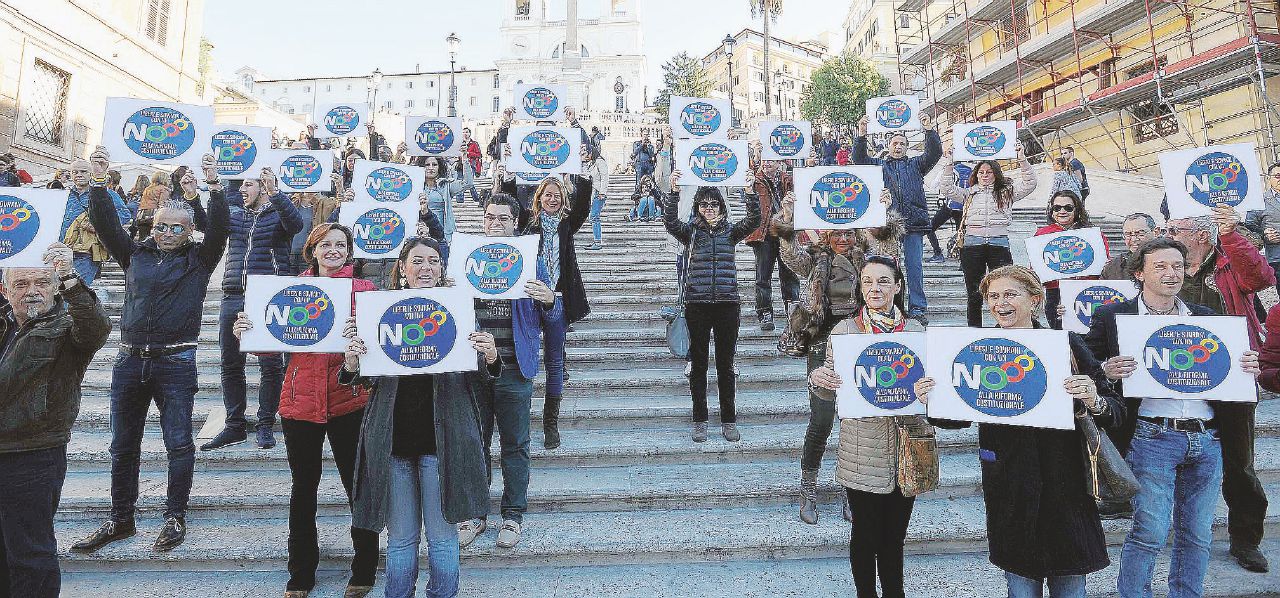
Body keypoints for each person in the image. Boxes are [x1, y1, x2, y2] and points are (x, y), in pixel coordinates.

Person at [917, 264, 1122, 597]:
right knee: (1020, 585)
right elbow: (957, 418)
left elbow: (1115, 410)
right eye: (993, 296)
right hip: (1011, 485)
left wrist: (1094, 397)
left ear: (1035, 300)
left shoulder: (1065, 343)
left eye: (1010, 294)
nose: (1001, 303)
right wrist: (932, 400)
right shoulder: (978, 349)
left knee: (1069, 583)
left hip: (1065, 486)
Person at [1084, 238, 1263, 594]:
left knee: (1197, 534)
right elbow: (1085, 367)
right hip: (1151, 436)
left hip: (1206, 437)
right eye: (1161, 267)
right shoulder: (1113, 317)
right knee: (1149, 530)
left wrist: (1246, 367)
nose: (1171, 274)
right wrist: (1106, 369)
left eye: (1177, 266)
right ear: (1139, 273)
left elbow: (1228, 370)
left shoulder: (1206, 318)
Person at [73, 150, 229, 554]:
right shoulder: (135, 255)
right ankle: (120, 519)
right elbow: (106, 226)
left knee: (178, 443)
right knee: (122, 445)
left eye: (176, 228)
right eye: (161, 226)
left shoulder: (200, 260)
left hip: (175, 363)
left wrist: (212, 188)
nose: (166, 233)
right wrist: (98, 180)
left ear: (189, 231)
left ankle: (174, 517)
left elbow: (220, 232)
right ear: (151, 225)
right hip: (129, 361)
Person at [229, 223, 379, 597]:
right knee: (304, 489)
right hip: (300, 403)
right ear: (312, 250)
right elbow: (270, 347)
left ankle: (364, 567)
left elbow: (379, 349)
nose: (334, 250)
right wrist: (247, 331)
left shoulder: (364, 291)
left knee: (357, 487)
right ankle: (301, 571)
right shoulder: (290, 290)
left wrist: (360, 342)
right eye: (326, 244)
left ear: (350, 251)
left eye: (341, 245)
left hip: (349, 401)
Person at [340, 237, 489, 598]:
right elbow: (361, 377)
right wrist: (352, 360)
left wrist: (490, 355)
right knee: (402, 539)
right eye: (418, 261)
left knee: (441, 537)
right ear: (402, 271)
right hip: (393, 443)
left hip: (443, 441)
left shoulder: (459, 309)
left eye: (434, 261)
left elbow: (479, 375)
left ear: (442, 269)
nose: (427, 267)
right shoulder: (378, 313)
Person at [806, 256, 935, 598]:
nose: (874, 288)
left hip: (905, 448)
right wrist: (817, 378)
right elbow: (829, 384)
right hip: (862, 448)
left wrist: (929, 392)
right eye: (867, 282)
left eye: (882, 281)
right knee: (864, 535)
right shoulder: (845, 331)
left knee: (894, 537)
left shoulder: (916, 332)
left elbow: (932, 393)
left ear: (898, 286)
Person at [1164, 206, 1274, 573]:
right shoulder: (1167, 266)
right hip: (1176, 377)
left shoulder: (1230, 263)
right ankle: (1181, 535)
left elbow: (1261, 277)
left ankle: (1246, 540)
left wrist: (1230, 233)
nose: (1167, 232)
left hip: (1232, 378)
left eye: (1174, 228)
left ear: (1198, 234)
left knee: (1239, 465)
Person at [777, 189, 895, 524]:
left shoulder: (866, 260)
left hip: (860, 344)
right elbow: (789, 255)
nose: (843, 239)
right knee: (823, 418)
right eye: (837, 233)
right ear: (827, 235)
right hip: (821, 345)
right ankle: (808, 486)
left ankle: (849, 487)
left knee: (853, 420)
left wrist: (883, 212)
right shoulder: (814, 259)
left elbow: (888, 252)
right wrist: (788, 217)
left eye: (848, 233)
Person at [0, 244, 110, 597]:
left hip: (32, 454)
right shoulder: (4, 322)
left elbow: (96, 328)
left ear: (53, 287)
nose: (31, 291)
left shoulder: (67, 327)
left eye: (41, 283)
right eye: (20, 284)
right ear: (6, 290)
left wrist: (69, 277)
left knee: (30, 553)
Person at [455, 194, 556, 550]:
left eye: (502, 218)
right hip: (473, 369)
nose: (495, 223)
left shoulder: (532, 261)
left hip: (514, 368)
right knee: (474, 444)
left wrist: (549, 300)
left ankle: (512, 514)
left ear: (516, 222)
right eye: (489, 217)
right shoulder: (466, 260)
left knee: (515, 445)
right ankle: (476, 514)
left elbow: (553, 319)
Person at [202, 167, 304, 451]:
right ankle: (234, 425)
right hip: (233, 294)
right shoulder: (236, 215)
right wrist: (205, 189)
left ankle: (265, 424)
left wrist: (276, 194)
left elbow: (295, 225)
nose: (242, 190)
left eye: (248, 184)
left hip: (268, 297)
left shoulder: (278, 214)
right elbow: (209, 225)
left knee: (270, 364)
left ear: (262, 186)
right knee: (230, 363)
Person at [663, 168, 760, 442]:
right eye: (704, 204)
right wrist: (673, 192)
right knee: (699, 365)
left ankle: (729, 419)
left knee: (726, 365)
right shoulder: (691, 232)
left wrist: (750, 192)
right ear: (697, 207)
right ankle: (700, 419)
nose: (709, 209)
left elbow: (754, 219)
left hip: (728, 304)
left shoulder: (731, 232)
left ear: (721, 207)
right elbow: (670, 221)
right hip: (697, 305)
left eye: (714, 204)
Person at [524, 172, 593, 450]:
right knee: (525, 357)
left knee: (555, 362)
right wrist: (504, 179)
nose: (552, 199)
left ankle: (550, 422)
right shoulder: (527, 224)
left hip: (559, 298)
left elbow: (584, 206)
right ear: (539, 198)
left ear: (563, 199)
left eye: (557, 195)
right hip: (529, 299)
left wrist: (582, 176)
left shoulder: (567, 224)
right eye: (547, 195)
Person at [853, 114, 942, 325]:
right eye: (895, 143)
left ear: (906, 147)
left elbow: (935, 152)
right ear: (889, 145)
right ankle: (895, 306)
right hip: (888, 228)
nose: (898, 146)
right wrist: (862, 135)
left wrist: (929, 130)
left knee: (914, 268)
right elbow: (859, 160)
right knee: (888, 269)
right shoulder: (879, 165)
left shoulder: (917, 164)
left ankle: (918, 308)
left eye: (902, 143)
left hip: (913, 224)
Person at [937, 141, 1037, 327]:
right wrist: (949, 162)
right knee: (973, 292)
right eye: (981, 172)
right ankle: (974, 330)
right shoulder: (969, 193)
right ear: (976, 175)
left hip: (999, 245)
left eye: (988, 172)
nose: (984, 175)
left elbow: (1030, 183)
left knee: (1006, 289)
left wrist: (1022, 159)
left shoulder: (1006, 192)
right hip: (972, 245)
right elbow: (947, 188)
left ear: (995, 174)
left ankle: (1006, 326)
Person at [1035, 190, 1107, 330]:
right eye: (1057, 208)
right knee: (1060, 337)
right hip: (1055, 292)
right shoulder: (1041, 234)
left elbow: (1105, 265)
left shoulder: (1093, 234)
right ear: (1051, 210)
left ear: (1077, 209)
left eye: (1068, 207)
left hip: (1087, 291)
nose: (1062, 211)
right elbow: (1036, 268)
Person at [744, 159, 801, 331]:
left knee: (790, 274)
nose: (767, 163)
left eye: (772, 160)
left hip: (784, 232)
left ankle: (793, 311)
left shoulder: (787, 179)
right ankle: (765, 313)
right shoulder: (755, 179)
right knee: (763, 276)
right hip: (764, 234)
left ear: (779, 163)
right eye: (764, 160)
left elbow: (804, 190)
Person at [61, 158, 132, 285]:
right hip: (63, 248)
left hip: (86, 252)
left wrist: (100, 226)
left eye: (83, 171)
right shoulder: (64, 195)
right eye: (75, 172)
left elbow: (125, 214)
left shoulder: (105, 194)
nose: (79, 175)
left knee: (76, 288)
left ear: (91, 173)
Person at [418, 154, 474, 242]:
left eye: (434, 165)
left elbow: (468, 183)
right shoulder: (415, 187)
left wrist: (465, 158)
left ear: (439, 167)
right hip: (420, 232)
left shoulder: (446, 185)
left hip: (442, 233)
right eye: (427, 165)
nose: (431, 168)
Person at [1243, 161, 1280, 287]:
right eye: (1277, 176)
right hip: (1277, 257)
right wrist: (1264, 234)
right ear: (1269, 178)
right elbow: (1249, 227)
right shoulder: (1260, 202)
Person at [1100, 213, 1160, 280]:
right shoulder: (1115, 266)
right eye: (1128, 234)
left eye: (1140, 234)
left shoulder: (1168, 260)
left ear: (1156, 232)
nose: (1134, 239)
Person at [582, 143, 611, 250]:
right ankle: (596, 240)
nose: (586, 155)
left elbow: (604, 177)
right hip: (594, 193)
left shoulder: (600, 162)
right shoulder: (592, 163)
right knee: (593, 216)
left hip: (599, 193)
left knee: (594, 216)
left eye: (587, 153)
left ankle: (598, 242)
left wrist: (602, 192)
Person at [460, 127, 484, 203]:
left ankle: (476, 198)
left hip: (471, 164)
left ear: (470, 134)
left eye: (466, 132)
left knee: (470, 182)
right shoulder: (459, 143)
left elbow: (478, 154)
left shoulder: (474, 144)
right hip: (460, 165)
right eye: (463, 132)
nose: (465, 133)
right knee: (460, 181)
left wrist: (468, 153)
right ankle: (460, 200)